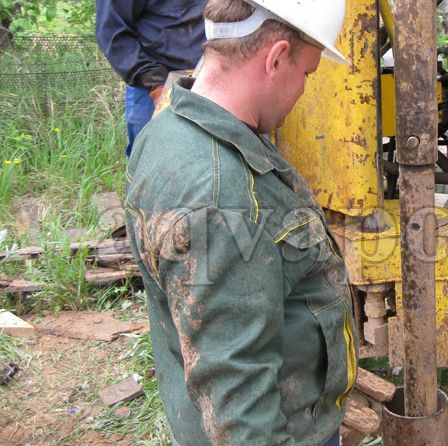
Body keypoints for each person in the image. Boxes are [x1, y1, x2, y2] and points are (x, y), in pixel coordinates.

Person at [124, 1, 357, 445]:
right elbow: (239, 402)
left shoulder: (169, 129)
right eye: (306, 74)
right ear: (275, 58)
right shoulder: (220, 198)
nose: (304, 89)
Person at [95, 0, 206, 157]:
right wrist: (156, 82)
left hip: (212, 81)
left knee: (208, 164)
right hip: (154, 87)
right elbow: (111, 32)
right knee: (150, 162)